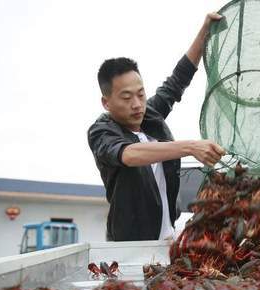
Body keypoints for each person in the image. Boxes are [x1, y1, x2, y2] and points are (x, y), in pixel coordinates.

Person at [88, 13, 226, 242]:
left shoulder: (149, 115)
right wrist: (190, 147)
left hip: (168, 239)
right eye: (126, 97)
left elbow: (177, 80)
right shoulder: (101, 131)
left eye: (141, 94)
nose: (137, 104)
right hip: (129, 245)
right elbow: (129, 155)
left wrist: (204, 32)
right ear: (106, 102)